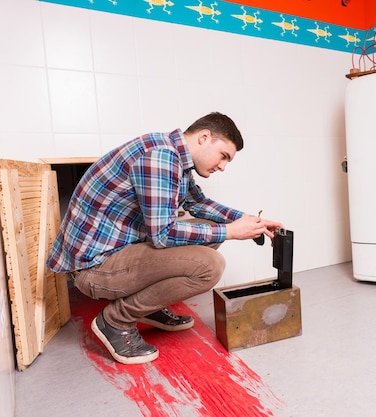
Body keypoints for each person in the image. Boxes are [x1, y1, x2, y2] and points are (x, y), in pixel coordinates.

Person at [46, 112, 283, 365]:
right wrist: (231, 231)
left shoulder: (174, 156)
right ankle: (116, 321)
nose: (223, 166)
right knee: (211, 266)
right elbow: (163, 234)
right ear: (204, 137)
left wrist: (246, 221)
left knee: (211, 229)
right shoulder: (160, 157)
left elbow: (198, 203)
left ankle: (148, 306)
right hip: (94, 269)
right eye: (223, 156)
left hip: (119, 252)